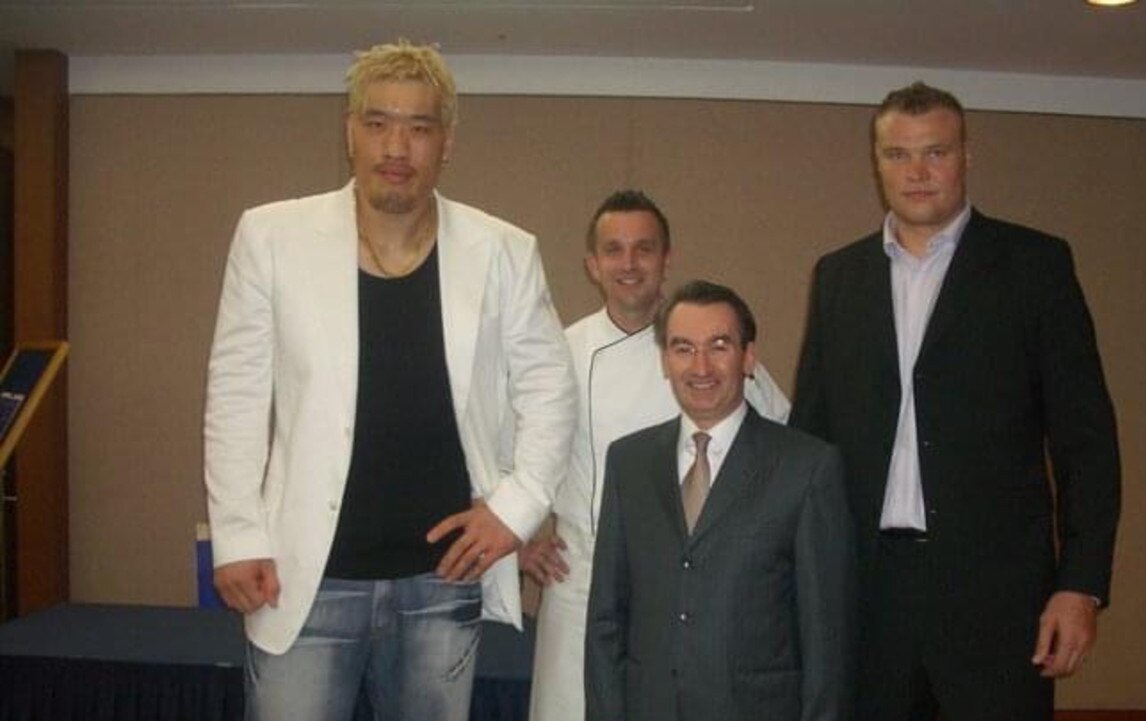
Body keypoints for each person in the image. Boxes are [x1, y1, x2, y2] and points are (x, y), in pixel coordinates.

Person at [203, 39, 575, 721]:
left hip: (443, 580)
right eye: (377, 123)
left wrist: (516, 509)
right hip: (304, 578)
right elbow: (236, 395)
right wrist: (238, 535)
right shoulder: (271, 237)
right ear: (350, 131)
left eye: (419, 126)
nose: (396, 144)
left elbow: (551, 389)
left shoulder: (504, 251)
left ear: (446, 142)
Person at [791, 81, 1122, 720]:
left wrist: (1081, 585)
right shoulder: (839, 277)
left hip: (999, 600)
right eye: (898, 155)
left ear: (966, 156)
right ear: (877, 161)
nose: (916, 172)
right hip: (868, 595)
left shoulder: (1035, 266)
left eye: (935, 152)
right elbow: (811, 442)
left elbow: (1087, 440)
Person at [522, 191, 791, 721]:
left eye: (643, 249)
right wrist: (521, 538)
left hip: (695, 589)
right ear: (592, 264)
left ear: (666, 260)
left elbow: (782, 441)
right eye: (614, 250)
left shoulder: (709, 351)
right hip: (581, 581)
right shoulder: (558, 352)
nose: (629, 264)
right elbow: (508, 447)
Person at [585, 280, 851, 721]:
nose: (700, 366)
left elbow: (827, 639)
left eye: (719, 346)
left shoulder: (807, 467)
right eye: (683, 348)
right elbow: (606, 621)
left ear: (749, 357)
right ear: (666, 361)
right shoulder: (628, 462)